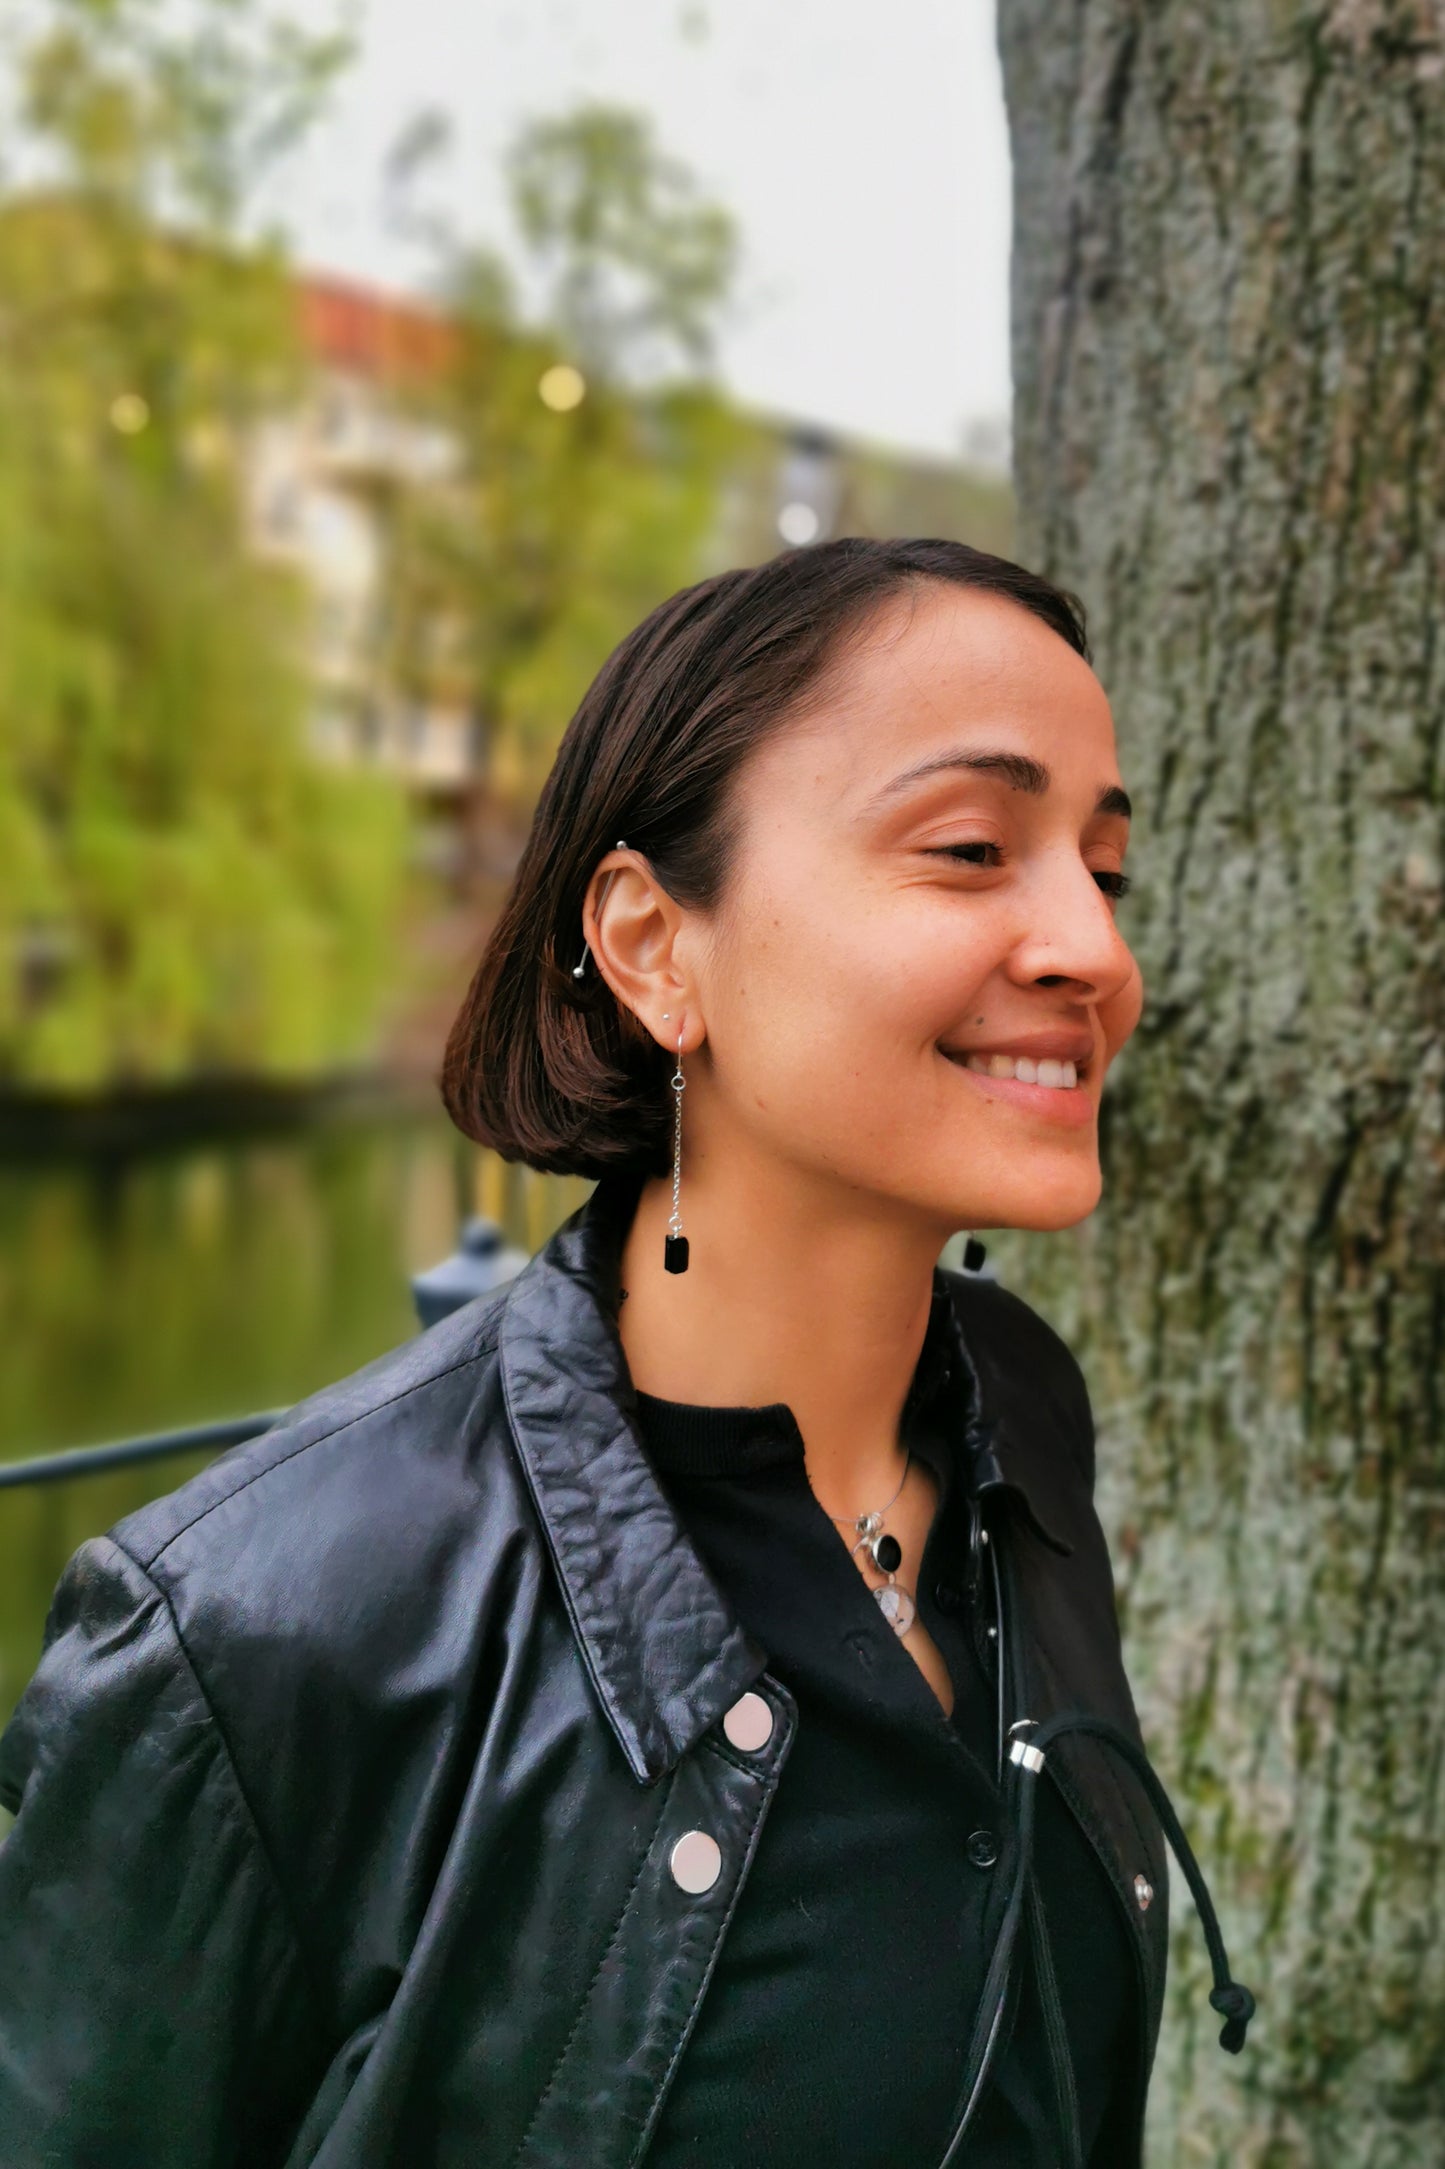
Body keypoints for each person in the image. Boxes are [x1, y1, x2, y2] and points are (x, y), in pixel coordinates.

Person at [0, 536, 1253, 2167]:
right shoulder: (255, 1636)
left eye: (1104, 869)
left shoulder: (1019, 1412)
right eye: (967, 845)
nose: (1091, 948)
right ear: (656, 945)